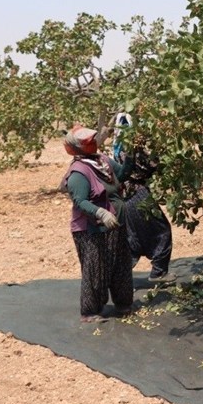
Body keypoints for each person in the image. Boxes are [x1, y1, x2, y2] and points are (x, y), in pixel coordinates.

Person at [61, 124, 135, 323]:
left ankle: (123, 304)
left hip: (115, 225)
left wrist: (132, 157)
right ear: (77, 148)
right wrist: (101, 213)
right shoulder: (79, 172)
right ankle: (90, 311)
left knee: (120, 264)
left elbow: (120, 175)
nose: (93, 143)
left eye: (93, 140)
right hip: (92, 229)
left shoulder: (102, 160)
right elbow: (80, 201)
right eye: (88, 142)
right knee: (96, 269)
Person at [111, 113, 175, 284]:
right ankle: (159, 273)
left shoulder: (119, 144)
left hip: (125, 195)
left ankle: (118, 276)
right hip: (138, 194)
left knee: (133, 237)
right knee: (162, 231)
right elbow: (151, 165)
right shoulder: (134, 147)